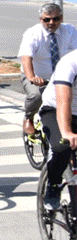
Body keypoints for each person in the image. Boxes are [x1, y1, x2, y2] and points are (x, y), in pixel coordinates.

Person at [18, 2, 77, 136]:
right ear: (41, 20)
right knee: (36, 95)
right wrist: (32, 77)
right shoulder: (32, 33)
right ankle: (28, 117)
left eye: (56, 19)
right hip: (39, 77)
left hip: (64, 77)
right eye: (47, 19)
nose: (51, 22)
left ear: (61, 18)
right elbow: (26, 57)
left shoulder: (70, 31)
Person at [38, 47, 77, 210]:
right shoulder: (69, 63)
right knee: (62, 147)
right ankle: (53, 185)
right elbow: (63, 101)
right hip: (55, 110)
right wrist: (67, 132)